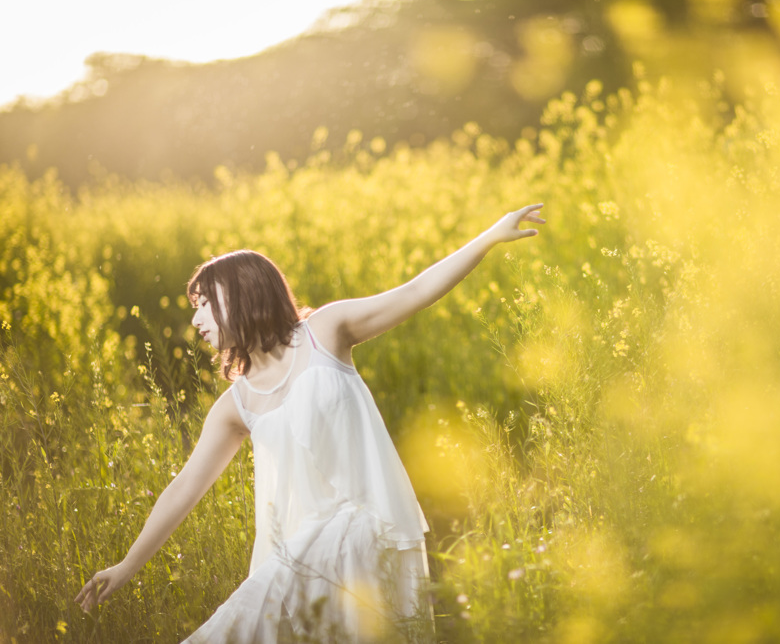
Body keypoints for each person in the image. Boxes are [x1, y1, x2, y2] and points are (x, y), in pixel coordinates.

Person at [74, 204, 546, 642]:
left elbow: (417, 291)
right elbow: (184, 488)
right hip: (301, 558)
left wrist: (490, 237)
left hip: (371, 534)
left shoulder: (325, 332)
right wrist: (127, 566)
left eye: (204, 303)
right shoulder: (235, 403)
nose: (196, 318)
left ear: (240, 295)